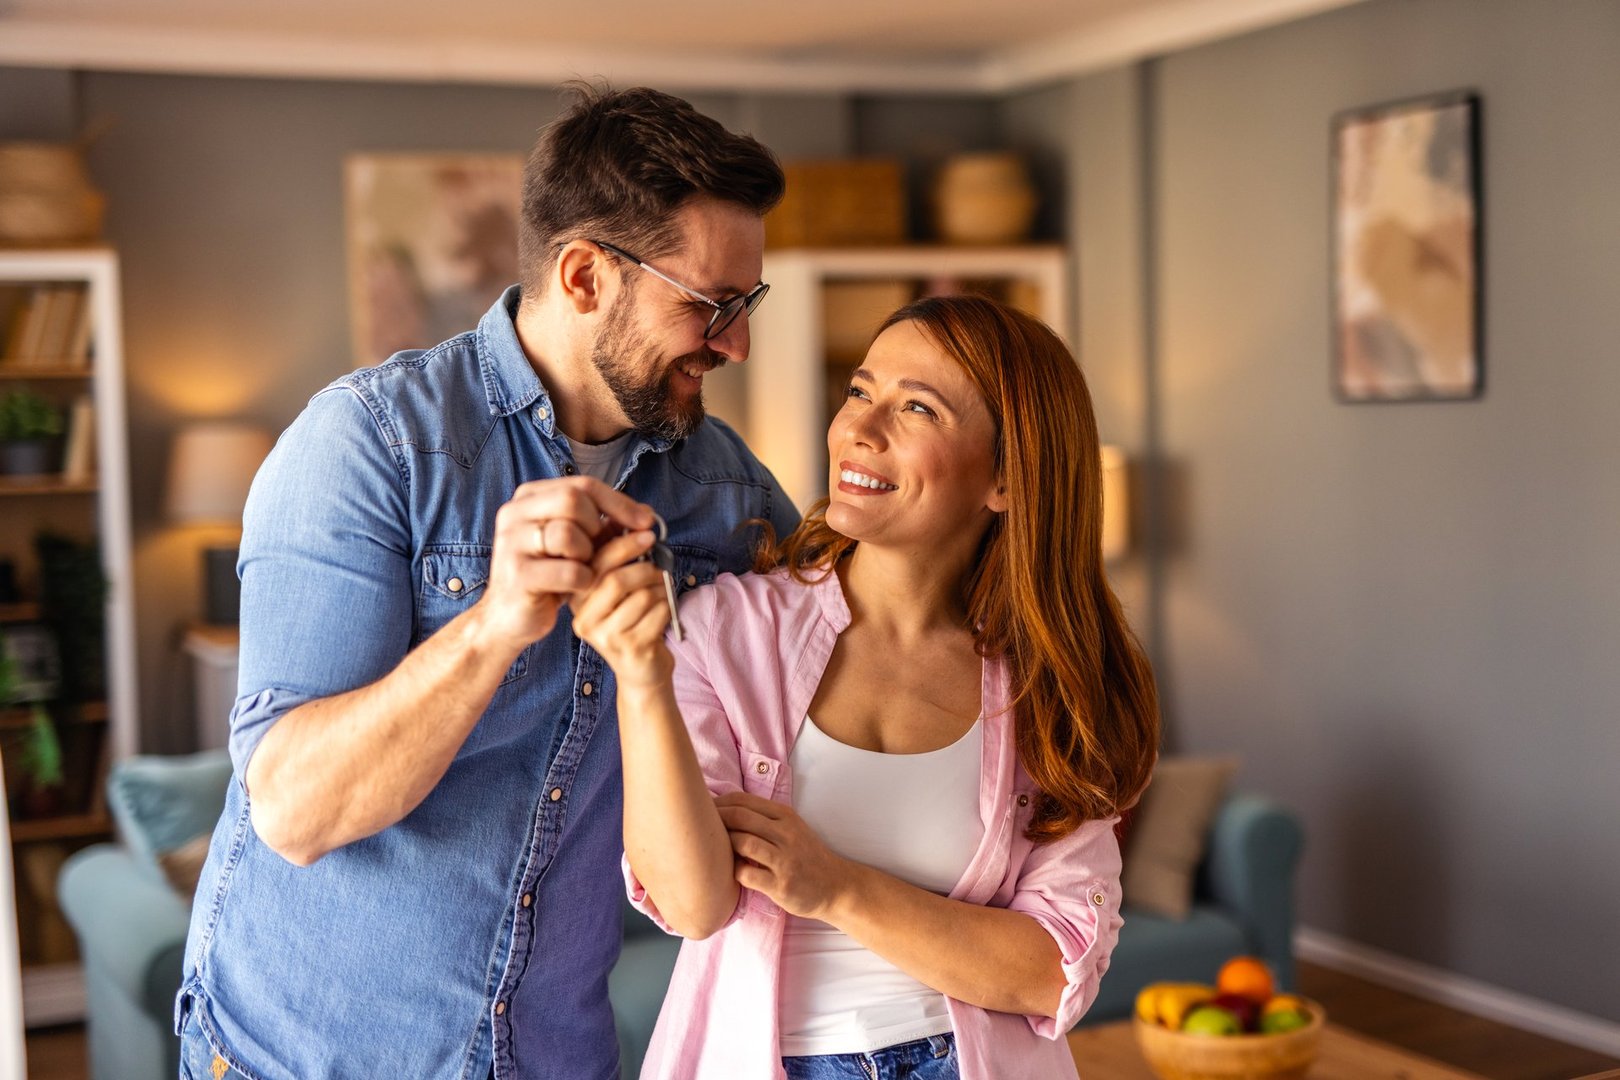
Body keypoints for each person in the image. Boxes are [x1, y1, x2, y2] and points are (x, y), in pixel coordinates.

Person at [175, 85, 797, 1080]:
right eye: (710, 306)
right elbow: (292, 810)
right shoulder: (370, 446)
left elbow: (860, 640)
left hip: (554, 1056)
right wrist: (494, 625)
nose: (737, 345)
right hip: (302, 1057)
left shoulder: (723, 490)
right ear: (587, 274)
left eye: (747, 305)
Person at [573, 294, 1162, 1079]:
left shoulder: (1046, 684)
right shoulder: (727, 630)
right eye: (860, 390)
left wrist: (835, 888)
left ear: (1006, 481)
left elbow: (1052, 969)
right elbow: (691, 901)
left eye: (916, 407)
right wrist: (643, 677)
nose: (860, 427)